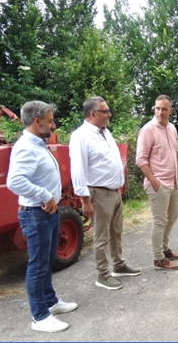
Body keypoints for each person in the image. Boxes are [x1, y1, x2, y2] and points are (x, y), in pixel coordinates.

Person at [7, 100, 77, 333]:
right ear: (37, 122)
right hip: (36, 214)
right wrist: (44, 195)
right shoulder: (26, 146)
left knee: (47, 261)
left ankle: (50, 302)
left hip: (48, 211)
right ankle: (39, 316)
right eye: (49, 121)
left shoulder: (38, 144)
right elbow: (14, 181)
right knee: (37, 265)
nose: (53, 124)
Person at [69, 96, 141, 290]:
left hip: (114, 192)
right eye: (105, 111)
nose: (109, 114)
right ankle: (102, 274)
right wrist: (85, 200)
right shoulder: (81, 136)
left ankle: (118, 265)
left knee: (116, 232)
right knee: (101, 237)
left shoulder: (105, 132)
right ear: (93, 114)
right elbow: (78, 170)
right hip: (98, 193)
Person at [136, 94, 178, 271]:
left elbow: (177, 154)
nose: (160, 112)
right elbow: (141, 160)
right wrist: (153, 181)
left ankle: (164, 248)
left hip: (172, 182)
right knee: (159, 221)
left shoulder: (172, 128)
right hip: (157, 183)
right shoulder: (148, 130)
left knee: (172, 216)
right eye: (157, 108)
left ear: (170, 110)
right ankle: (158, 259)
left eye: (164, 109)